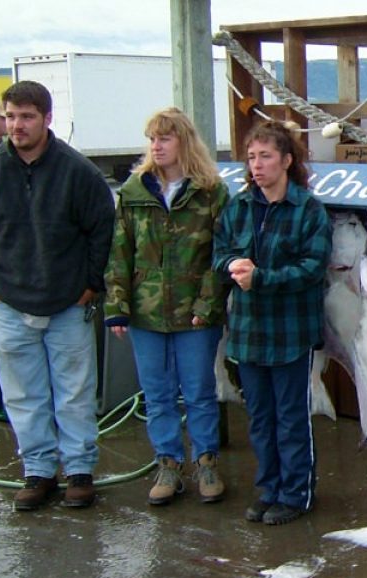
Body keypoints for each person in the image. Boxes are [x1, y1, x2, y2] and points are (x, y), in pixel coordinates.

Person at [0, 80, 115, 510]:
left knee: (73, 392)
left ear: (47, 119)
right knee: (22, 393)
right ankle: (37, 471)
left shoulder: (79, 172)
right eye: (11, 116)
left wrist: (90, 285)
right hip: (10, 302)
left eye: (27, 116)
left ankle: (78, 471)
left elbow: (101, 231)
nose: (17, 125)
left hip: (68, 303)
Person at [104, 107, 230, 506]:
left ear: (184, 142)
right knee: (156, 394)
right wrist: (117, 306)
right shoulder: (133, 192)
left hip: (195, 314)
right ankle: (168, 463)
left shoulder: (211, 192)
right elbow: (119, 252)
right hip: (147, 312)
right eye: (152, 139)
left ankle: (206, 461)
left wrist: (208, 304)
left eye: (165, 138)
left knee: (198, 391)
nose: (156, 146)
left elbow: (221, 253)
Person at [213, 120, 330, 526]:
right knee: (260, 416)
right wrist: (231, 264)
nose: (257, 165)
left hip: (291, 333)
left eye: (265, 156)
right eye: (251, 157)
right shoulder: (239, 206)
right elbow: (219, 252)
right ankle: (270, 488)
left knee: (291, 416)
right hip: (248, 333)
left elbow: (312, 268)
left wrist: (261, 278)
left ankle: (297, 493)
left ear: (286, 160)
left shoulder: (308, 210)